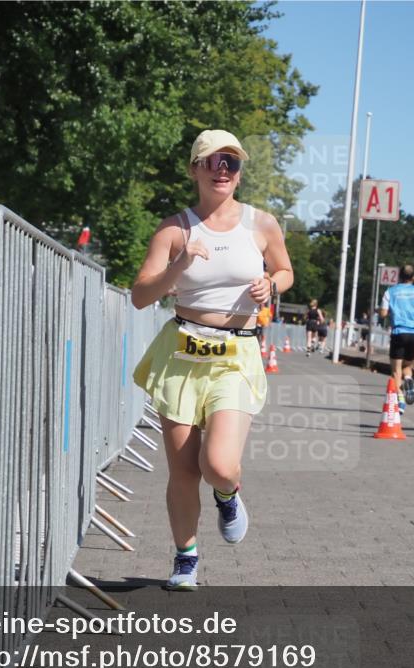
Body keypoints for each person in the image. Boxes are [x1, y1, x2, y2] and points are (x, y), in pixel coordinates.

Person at [131, 129, 294, 590]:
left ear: (239, 174)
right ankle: (185, 559)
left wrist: (273, 285)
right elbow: (141, 296)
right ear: (195, 169)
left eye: (232, 162)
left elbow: (285, 269)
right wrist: (178, 267)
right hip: (182, 350)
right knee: (183, 469)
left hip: (236, 354)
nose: (223, 169)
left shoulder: (261, 224)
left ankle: (227, 492)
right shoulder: (174, 228)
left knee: (218, 463)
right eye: (213, 161)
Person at [380, 265, 414, 410]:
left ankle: (400, 400)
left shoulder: (390, 292)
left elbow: (382, 313)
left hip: (399, 332)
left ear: (399, 277)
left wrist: (391, 313)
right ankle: (408, 379)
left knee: (396, 369)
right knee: (408, 365)